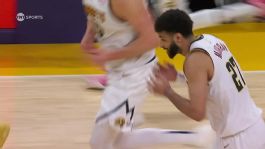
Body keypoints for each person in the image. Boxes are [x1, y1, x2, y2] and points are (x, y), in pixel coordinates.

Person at [81, 0, 215, 149]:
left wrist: (109, 55)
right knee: (117, 141)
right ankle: (196, 138)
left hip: (134, 73)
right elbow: (93, 12)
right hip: (117, 70)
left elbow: (152, 39)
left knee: (100, 143)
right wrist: (89, 35)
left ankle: (195, 137)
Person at [149, 9, 265, 149]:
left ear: (178, 38)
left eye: (163, 39)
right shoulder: (210, 40)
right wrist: (177, 77)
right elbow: (214, 80)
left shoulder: (194, 61)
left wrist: (167, 91)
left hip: (238, 140)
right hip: (254, 125)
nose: (161, 45)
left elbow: (197, 113)